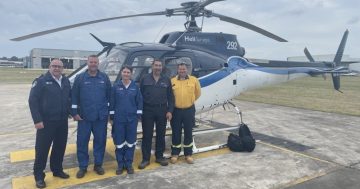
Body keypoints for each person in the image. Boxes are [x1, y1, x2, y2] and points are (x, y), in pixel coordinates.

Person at [29, 59, 71, 188]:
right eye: (54, 66)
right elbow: (33, 101)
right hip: (46, 122)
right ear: (49, 67)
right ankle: (39, 176)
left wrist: (70, 111)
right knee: (42, 150)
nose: (57, 68)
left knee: (59, 147)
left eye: (59, 66)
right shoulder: (41, 81)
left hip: (62, 121)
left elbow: (68, 97)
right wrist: (37, 120)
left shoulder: (65, 80)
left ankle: (57, 170)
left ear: (63, 68)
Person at [71, 55, 111, 178]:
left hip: (100, 117)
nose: (93, 64)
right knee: (82, 142)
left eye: (95, 62)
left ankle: (98, 164)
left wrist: (108, 113)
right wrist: (74, 113)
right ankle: (83, 166)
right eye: (91, 62)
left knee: (100, 141)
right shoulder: (80, 78)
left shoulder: (104, 77)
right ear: (87, 63)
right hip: (84, 117)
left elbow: (109, 96)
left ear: (98, 63)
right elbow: (74, 97)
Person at [138, 59, 174, 169]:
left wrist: (170, 111)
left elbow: (171, 97)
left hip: (161, 110)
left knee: (161, 134)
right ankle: (145, 159)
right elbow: (140, 96)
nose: (158, 67)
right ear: (152, 66)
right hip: (147, 110)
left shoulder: (166, 79)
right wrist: (140, 111)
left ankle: (159, 156)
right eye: (156, 65)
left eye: (160, 66)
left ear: (162, 67)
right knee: (147, 135)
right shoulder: (144, 78)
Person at [110, 65, 143, 175]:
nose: (126, 74)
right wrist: (111, 117)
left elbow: (139, 101)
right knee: (119, 143)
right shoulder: (116, 87)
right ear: (121, 73)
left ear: (131, 74)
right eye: (124, 72)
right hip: (119, 120)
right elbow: (112, 102)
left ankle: (128, 164)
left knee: (130, 142)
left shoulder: (135, 87)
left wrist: (138, 115)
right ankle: (120, 164)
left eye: (128, 72)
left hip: (131, 120)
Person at [170, 63, 201, 164]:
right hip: (176, 111)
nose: (182, 71)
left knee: (188, 132)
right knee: (176, 132)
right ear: (177, 70)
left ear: (187, 70)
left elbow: (197, 93)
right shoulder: (172, 81)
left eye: (184, 69)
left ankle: (188, 154)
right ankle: (175, 154)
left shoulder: (193, 80)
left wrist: (190, 101)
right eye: (180, 69)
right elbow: (169, 95)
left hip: (189, 110)